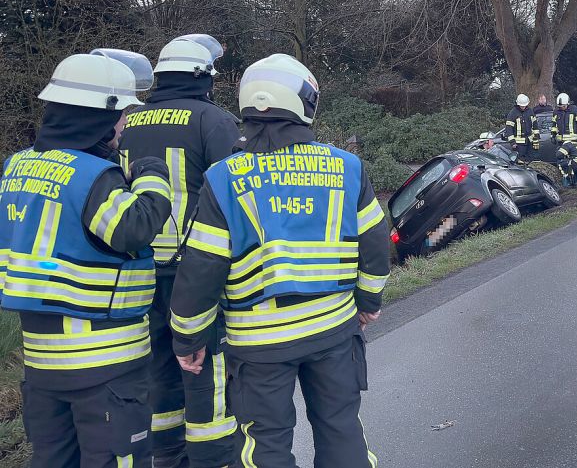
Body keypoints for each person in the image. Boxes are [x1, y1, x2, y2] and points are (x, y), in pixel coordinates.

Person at [168, 54, 390, 468]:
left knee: (264, 444)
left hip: (259, 344)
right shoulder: (347, 168)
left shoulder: (223, 178)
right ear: (304, 103)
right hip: (333, 331)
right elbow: (375, 241)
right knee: (341, 428)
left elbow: (201, 268)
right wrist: (369, 302)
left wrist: (188, 337)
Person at [0, 50, 172, 468]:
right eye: (123, 114)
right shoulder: (93, 177)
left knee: (54, 459)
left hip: (41, 361)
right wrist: (151, 173)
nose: (125, 123)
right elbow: (134, 226)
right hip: (105, 363)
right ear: (102, 115)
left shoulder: (16, 166)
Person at [118, 35, 240, 468]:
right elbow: (234, 196)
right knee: (207, 369)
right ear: (203, 77)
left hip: (137, 272)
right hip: (195, 272)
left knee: (160, 371)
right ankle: (215, 457)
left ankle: (166, 455)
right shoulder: (214, 120)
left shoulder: (127, 122)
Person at [505, 94, 540, 163]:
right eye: (522, 105)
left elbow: (535, 125)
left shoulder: (530, 111)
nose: (523, 107)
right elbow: (509, 129)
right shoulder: (513, 113)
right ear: (518, 104)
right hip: (519, 144)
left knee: (530, 160)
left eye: (524, 105)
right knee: (520, 161)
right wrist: (512, 142)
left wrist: (536, 139)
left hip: (529, 141)